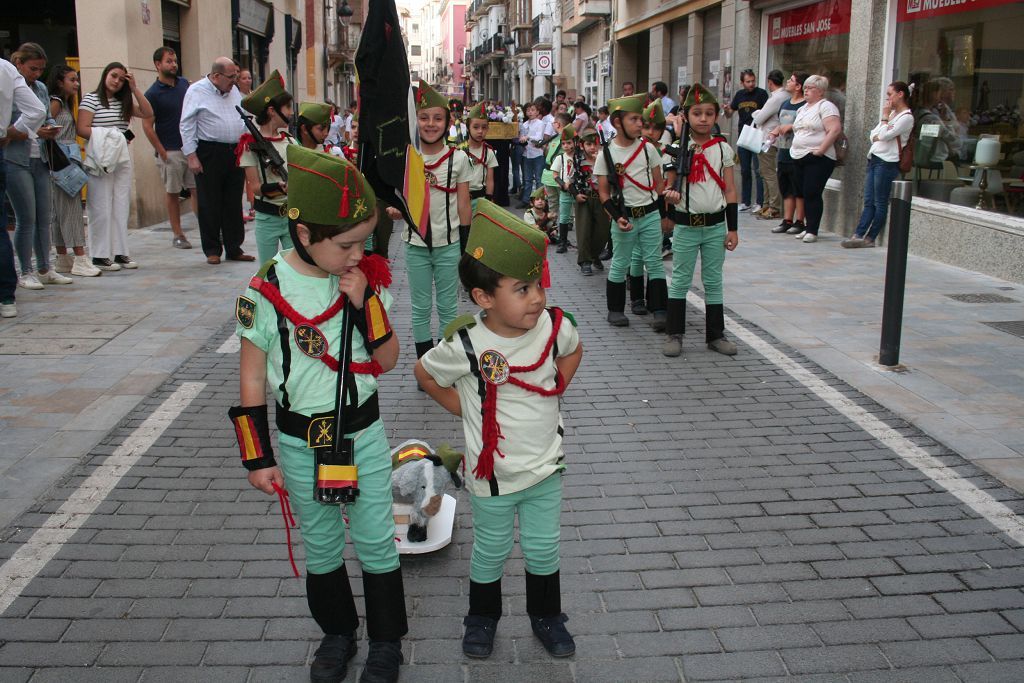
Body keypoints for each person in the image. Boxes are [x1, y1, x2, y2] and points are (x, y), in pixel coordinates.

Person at [232, 144, 407, 683]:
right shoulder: (264, 290)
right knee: (323, 542)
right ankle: (337, 632)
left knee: (376, 538)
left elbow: (389, 360)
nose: (359, 254)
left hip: (363, 434)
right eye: (348, 244)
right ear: (305, 235)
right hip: (299, 441)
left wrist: (364, 304)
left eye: (366, 242)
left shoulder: (360, 283)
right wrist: (257, 458)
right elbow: (252, 379)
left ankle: (385, 642)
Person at [415, 199, 583, 661]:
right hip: (493, 478)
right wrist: (464, 409)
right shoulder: (466, 342)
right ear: (484, 298)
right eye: (522, 288)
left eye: (537, 286)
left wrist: (557, 384)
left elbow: (573, 348)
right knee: (490, 552)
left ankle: (547, 617)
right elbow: (424, 374)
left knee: (544, 549)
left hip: (546, 467)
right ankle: (482, 618)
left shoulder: (551, 325)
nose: (536, 298)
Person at [662, 83, 739, 357]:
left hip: (716, 226)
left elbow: (729, 190)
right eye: (697, 113)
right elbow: (667, 186)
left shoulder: (722, 149)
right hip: (686, 226)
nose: (703, 119)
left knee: (713, 280)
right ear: (686, 116)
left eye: (709, 113)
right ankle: (675, 334)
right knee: (681, 279)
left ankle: (716, 335)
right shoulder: (675, 149)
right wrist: (668, 200)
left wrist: (733, 229)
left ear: (716, 116)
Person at [403, 80, 471, 368]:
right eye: (424, 117)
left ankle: (448, 363)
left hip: (449, 245)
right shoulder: (408, 157)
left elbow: (465, 205)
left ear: (448, 122)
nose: (431, 124)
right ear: (416, 120)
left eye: (437, 118)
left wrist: (467, 249)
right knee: (420, 309)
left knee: (448, 308)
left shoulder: (458, 159)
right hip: (414, 245)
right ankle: (424, 365)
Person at [594, 94, 667, 330]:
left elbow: (658, 185)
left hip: (650, 215)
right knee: (620, 263)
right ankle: (615, 311)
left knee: (654, 262)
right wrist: (617, 217)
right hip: (624, 217)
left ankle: (660, 310)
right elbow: (604, 193)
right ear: (617, 122)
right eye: (634, 119)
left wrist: (665, 210)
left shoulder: (648, 150)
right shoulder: (606, 154)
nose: (640, 124)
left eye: (640, 119)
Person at [77, 61, 153, 271]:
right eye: (114, 76)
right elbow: (82, 128)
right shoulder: (91, 99)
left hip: (121, 157)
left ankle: (121, 252)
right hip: (100, 156)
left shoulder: (124, 102)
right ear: (105, 75)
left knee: (121, 204)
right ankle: (99, 255)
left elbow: (147, 112)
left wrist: (134, 88)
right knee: (100, 205)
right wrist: (113, 136)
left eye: (121, 79)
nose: (117, 81)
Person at [6, 44, 69, 290]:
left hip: (40, 156)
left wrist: (51, 128)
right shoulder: (9, 87)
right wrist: (32, 130)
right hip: (16, 158)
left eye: (41, 69)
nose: (36, 74)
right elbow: (8, 124)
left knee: (45, 215)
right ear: (19, 64)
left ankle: (45, 266)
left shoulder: (41, 88)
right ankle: (26, 270)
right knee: (26, 217)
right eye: (33, 69)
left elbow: (46, 116)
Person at [180, 57, 254, 265]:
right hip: (209, 151)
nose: (235, 81)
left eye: (236, 77)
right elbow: (186, 124)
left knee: (232, 201)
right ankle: (212, 249)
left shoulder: (234, 91)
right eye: (231, 77)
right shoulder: (196, 91)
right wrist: (191, 155)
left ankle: (234, 247)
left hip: (234, 151)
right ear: (215, 76)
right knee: (209, 201)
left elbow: (242, 117)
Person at [0, 55, 47, 317]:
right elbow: (37, 111)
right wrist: (8, 131)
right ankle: (6, 297)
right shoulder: (6, 69)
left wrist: (11, 132)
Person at [842, 81, 914, 249]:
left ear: (900, 94)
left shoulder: (906, 117)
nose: (887, 98)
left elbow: (884, 135)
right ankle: (858, 234)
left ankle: (870, 237)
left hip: (887, 162)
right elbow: (873, 134)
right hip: (874, 158)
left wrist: (884, 118)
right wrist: (882, 127)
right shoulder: (893, 114)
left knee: (879, 201)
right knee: (869, 200)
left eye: (890, 94)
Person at [46, 66, 100, 277]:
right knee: (71, 209)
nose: (76, 84)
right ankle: (79, 257)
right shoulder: (57, 103)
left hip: (61, 160)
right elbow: (46, 125)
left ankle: (63, 257)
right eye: (72, 79)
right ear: (60, 82)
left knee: (59, 211)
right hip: (62, 160)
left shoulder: (64, 104)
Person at [237, 70, 294, 265]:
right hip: (267, 217)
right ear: (272, 111)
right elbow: (253, 188)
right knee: (267, 272)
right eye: (287, 107)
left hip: (291, 215)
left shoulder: (291, 142)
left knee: (295, 272)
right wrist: (277, 187)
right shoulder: (249, 145)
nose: (291, 112)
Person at [143, 46, 196, 250]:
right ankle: (178, 234)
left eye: (175, 61)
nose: (173, 65)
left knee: (196, 189)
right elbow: (147, 126)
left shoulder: (184, 84)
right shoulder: (152, 94)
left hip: (190, 147)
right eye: (169, 61)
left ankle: (207, 228)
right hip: (170, 150)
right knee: (173, 193)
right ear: (158, 65)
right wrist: (162, 151)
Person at [789, 74, 842, 243]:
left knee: (812, 191)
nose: (805, 91)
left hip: (818, 157)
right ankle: (805, 225)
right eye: (805, 87)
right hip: (799, 155)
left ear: (820, 91)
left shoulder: (826, 106)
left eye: (810, 88)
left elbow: (834, 129)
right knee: (802, 192)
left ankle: (813, 229)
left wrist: (821, 150)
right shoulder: (803, 108)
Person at [769, 72, 809, 235]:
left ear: (799, 86)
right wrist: (775, 131)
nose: (787, 82)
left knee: (797, 188)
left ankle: (800, 221)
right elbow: (780, 123)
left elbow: (806, 125)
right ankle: (787, 220)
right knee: (785, 188)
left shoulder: (805, 106)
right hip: (783, 151)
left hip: (797, 152)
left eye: (791, 80)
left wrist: (791, 127)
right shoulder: (785, 103)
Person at [724, 69, 768, 213]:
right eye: (748, 82)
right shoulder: (739, 95)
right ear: (742, 82)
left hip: (757, 134)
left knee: (758, 169)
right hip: (743, 135)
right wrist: (726, 110)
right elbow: (730, 113)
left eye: (753, 81)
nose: (751, 84)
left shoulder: (761, 94)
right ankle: (746, 201)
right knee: (744, 169)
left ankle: (760, 201)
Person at [572, 128, 609, 276]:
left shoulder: (605, 158)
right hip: (585, 198)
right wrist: (575, 195)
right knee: (584, 230)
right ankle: (585, 261)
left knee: (603, 231)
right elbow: (570, 181)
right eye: (588, 144)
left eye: (595, 144)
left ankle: (595, 255)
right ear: (582, 145)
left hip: (602, 198)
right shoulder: (577, 160)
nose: (592, 147)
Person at [750, 69, 787, 221]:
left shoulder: (776, 98)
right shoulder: (784, 96)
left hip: (768, 139)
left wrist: (756, 113)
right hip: (771, 138)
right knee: (764, 172)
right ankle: (766, 204)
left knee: (768, 173)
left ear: (770, 82)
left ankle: (773, 207)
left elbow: (759, 119)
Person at [464, 102, 498, 214]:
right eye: (475, 127)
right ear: (468, 127)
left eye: (484, 127)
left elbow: (490, 179)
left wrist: (488, 198)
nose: (480, 131)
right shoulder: (459, 150)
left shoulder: (489, 152)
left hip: (480, 199)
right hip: (461, 197)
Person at [549, 126, 578, 254]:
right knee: (564, 217)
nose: (566, 146)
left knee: (581, 217)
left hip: (578, 191)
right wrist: (563, 184)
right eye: (564, 143)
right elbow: (555, 175)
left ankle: (583, 242)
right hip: (565, 192)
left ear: (575, 142)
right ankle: (562, 242)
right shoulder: (560, 158)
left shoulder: (580, 157)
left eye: (569, 143)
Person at [517, 101, 548, 207]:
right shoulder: (524, 125)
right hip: (527, 154)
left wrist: (528, 137)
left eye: (532, 110)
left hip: (537, 154)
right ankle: (526, 200)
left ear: (537, 112)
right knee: (527, 179)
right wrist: (521, 139)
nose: (530, 112)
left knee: (539, 179)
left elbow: (539, 137)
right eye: (528, 110)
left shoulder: (540, 123)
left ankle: (539, 201)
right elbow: (521, 137)